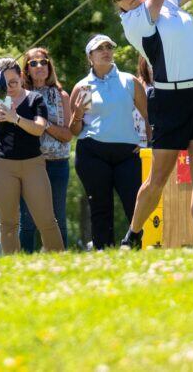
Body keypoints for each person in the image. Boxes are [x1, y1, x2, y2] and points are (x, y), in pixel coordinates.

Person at [106, 0, 193, 248]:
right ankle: (133, 234)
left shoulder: (166, 3)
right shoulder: (135, 21)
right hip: (171, 101)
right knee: (158, 179)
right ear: (117, 4)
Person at [68, 35, 148, 249]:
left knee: (135, 203)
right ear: (90, 57)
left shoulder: (129, 81)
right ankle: (104, 251)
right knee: (100, 207)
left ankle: (137, 246)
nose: (106, 51)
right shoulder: (84, 87)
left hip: (128, 154)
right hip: (92, 153)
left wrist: (149, 147)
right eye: (100, 48)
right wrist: (77, 114)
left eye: (109, 47)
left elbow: (148, 118)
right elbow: (75, 130)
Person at [0, 58, 64, 254]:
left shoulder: (35, 99)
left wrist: (15, 118)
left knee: (46, 220)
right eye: (4, 84)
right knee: (8, 223)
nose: (10, 88)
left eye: (14, 82)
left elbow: (39, 128)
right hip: (1, 166)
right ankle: (13, 264)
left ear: (22, 78)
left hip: (33, 165)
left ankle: (59, 260)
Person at [18, 47, 72, 252]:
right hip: (28, 163)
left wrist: (43, 124)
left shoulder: (61, 95)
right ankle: (24, 261)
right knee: (27, 220)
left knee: (58, 217)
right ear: (26, 70)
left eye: (44, 62)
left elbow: (67, 135)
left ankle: (61, 260)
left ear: (50, 67)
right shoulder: (18, 95)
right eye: (33, 63)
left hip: (57, 163)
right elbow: (3, 112)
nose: (39, 66)